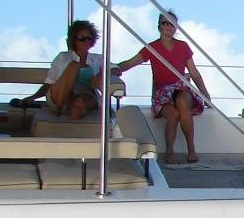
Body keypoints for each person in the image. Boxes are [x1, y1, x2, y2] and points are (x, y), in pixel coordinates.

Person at [114, 9, 211, 165]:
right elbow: (131, 63)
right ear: (159, 26)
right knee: (172, 114)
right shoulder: (152, 47)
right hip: (162, 92)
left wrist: (206, 95)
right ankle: (170, 150)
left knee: (182, 102)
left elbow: (194, 73)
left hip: (181, 88)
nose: (169, 27)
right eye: (165, 23)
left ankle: (191, 148)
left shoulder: (183, 46)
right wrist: (112, 69)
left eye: (172, 24)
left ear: (176, 27)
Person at [36, 20, 110, 121]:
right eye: (82, 39)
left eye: (89, 38)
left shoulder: (98, 59)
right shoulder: (63, 57)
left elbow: (116, 69)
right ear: (74, 40)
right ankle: (61, 108)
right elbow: (49, 84)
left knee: (85, 98)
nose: (87, 41)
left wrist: (101, 74)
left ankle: (77, 107)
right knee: (74, 66)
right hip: (60, 94)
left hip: (85, 93)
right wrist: (33, 97)